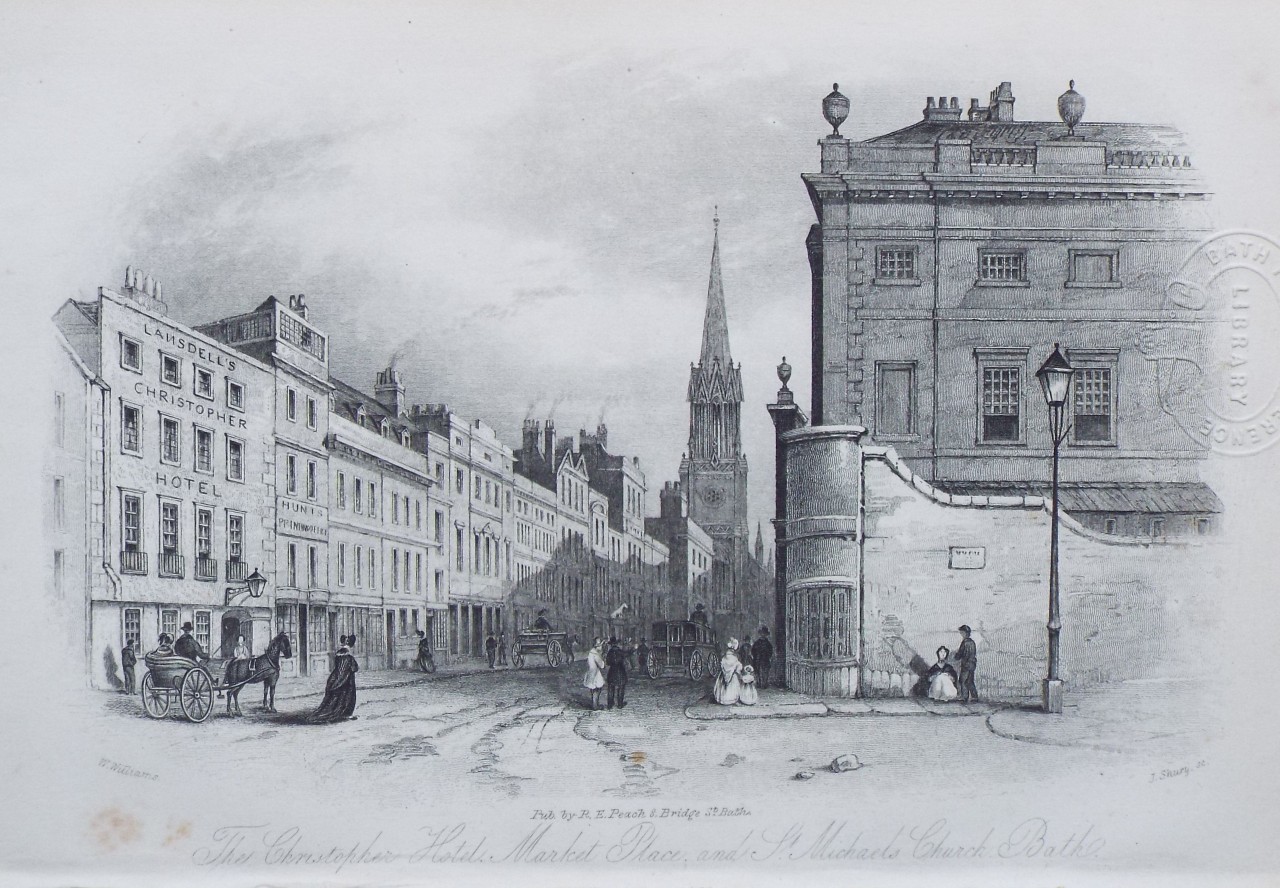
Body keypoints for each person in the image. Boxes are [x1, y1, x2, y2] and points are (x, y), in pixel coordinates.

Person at [309, 634, 359, 723]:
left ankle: (334, 712)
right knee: (347, 697)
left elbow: (338, 668)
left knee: (334, 699)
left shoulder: (338, 655)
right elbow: (354, 668)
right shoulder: (349, 657)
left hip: (335, 677)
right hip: (346, 680)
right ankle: (346, 714)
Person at [713, 639, 743, 705]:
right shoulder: (734, 658)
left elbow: (722, 666)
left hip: (723, 676)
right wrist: (740, 673)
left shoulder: (724, 657)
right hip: (733, 678)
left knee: (722, 685)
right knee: (734, 683)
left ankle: (723, 699)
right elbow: (738, 668)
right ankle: (732, 699)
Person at [956, 624, 979, 702]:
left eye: (961, 633)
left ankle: (964, 697)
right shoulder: (972, 642)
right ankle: (974, 696)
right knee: (970, 681)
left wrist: (956, 657)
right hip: (972, 665)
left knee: (963, 681)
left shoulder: (964, 642)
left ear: (964, 633)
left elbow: (960, 654)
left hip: (966, 665)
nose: (961, 634)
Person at [583, 637, 606, 710]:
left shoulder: (591, 651)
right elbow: (601, 665)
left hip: (590, 672)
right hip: (595, 673)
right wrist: (603, 658)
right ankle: (595, 705)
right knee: (597, 689)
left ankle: (594, 704)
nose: (601, 647)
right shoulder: (595, 653)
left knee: (593, 689)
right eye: (600, 645)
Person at [605, 637, 628, 709]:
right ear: (617, 644)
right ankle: (620, 704)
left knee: (611, 688)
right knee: (621, 687)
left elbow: (608, 663)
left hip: (612, 671)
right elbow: (624, 659)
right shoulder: (620, 652)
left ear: (611, 645)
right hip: (620, 671)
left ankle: (610, 704)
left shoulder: (610, 652)